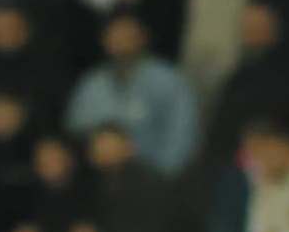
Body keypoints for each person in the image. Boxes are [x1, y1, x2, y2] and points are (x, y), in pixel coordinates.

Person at [64, 13, 199, 179]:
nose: (121, 42)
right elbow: (75, 131)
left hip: (152, 179)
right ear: (105, 41)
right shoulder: (92, 83)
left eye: (128, 35)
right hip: (96, 180)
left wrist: (160, 178)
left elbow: (182, 137)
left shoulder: (168, 81)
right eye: (115, 36)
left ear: (142, 38)